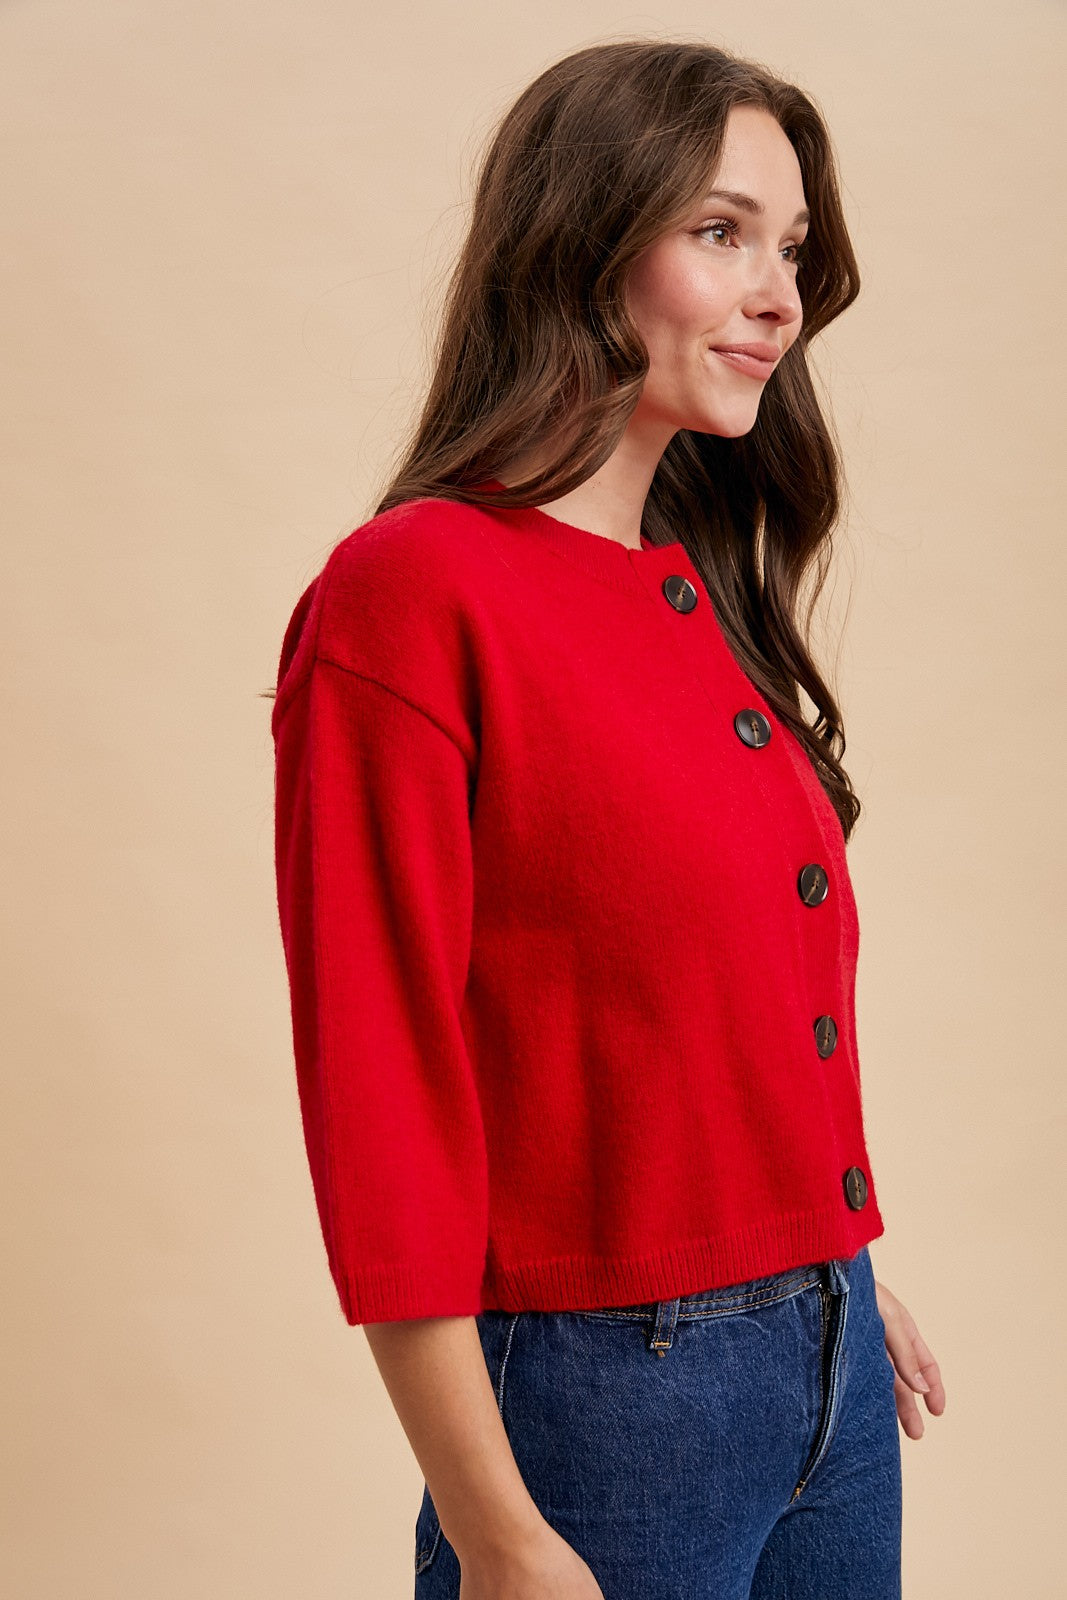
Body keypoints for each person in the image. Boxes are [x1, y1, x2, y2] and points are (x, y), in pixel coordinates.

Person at [268, 37, 946, 1600]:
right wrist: (495, 1528)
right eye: (721, 233)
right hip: (612, 1400)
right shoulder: (413, 594)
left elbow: (700, 1012)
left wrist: (820, 1276)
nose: (779, 296)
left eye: (790, 247)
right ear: (582, 244)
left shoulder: (699, 589)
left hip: (829, 1356)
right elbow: (383, 1091)